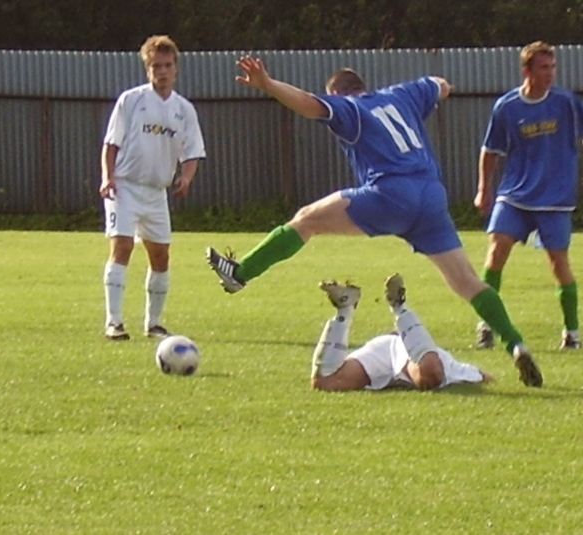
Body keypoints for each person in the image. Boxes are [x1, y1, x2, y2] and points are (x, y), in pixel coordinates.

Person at [206, 55, 542, 387]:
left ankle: (240, 273)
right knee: (467, 281)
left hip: (391, 194)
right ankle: (515, 343)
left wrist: (267, 83)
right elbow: (441, 85)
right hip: (432, 196)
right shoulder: (402, 95)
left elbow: (309, 104)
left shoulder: (350, 109)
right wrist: (433, 93)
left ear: (338, 94)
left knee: (306, 219)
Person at [474, 41, 583, 351]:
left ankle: (572, 333)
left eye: (552, 67)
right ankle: (486, 325)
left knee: (558, 262)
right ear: (527, 70)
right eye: (544, 67)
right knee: (496, 251)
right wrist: (483, 189)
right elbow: (489, 150)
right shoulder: (507, 106)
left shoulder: (565, 101)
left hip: (555, 198)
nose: (550, 73)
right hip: (515, 195)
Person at [99, 35, 206, 341]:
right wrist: (107, 178)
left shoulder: (183, 109)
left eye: (167, 65)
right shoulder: (131, 100)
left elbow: (193, 152)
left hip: (157, 193)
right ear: (148, 68)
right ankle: (114, 322)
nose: (162, 71)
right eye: (156, 65)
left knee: (160, 257)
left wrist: (186, 177)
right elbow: (111, 143)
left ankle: (154, 323)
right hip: (125, 186)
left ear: (176, 68)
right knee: (121, 247)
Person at [311, 273, 494, 391]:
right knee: (431, 375)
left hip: (399, 348)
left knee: (429, 376)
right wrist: (485, 377)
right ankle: (398, 307)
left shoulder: (457, 369)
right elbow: (485, 376)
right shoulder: (457, 369)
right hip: (396, 346)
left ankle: (345, 308)